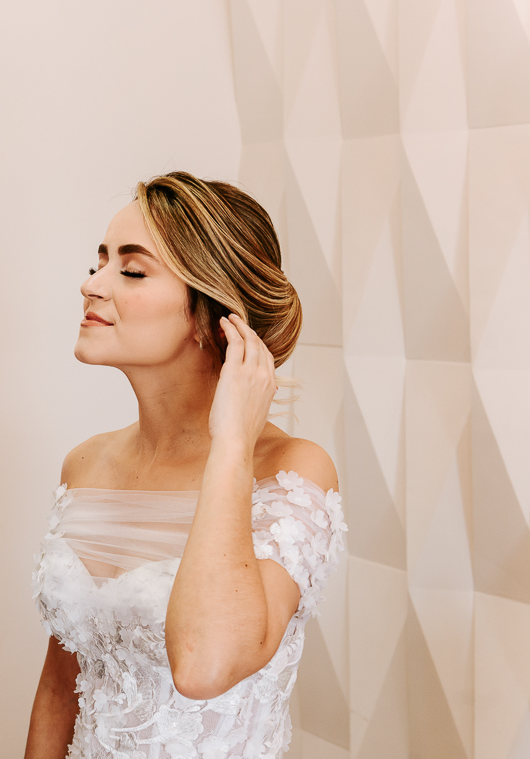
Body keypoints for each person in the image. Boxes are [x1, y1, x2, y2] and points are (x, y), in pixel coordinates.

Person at [25, 173, 347, 759]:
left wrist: (231, 444)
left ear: (211, 314)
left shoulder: (293, 474)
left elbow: (204, 667)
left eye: (131, 270)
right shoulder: (85, 465)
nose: (91, 284)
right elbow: (57, 688)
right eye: (99, 262)